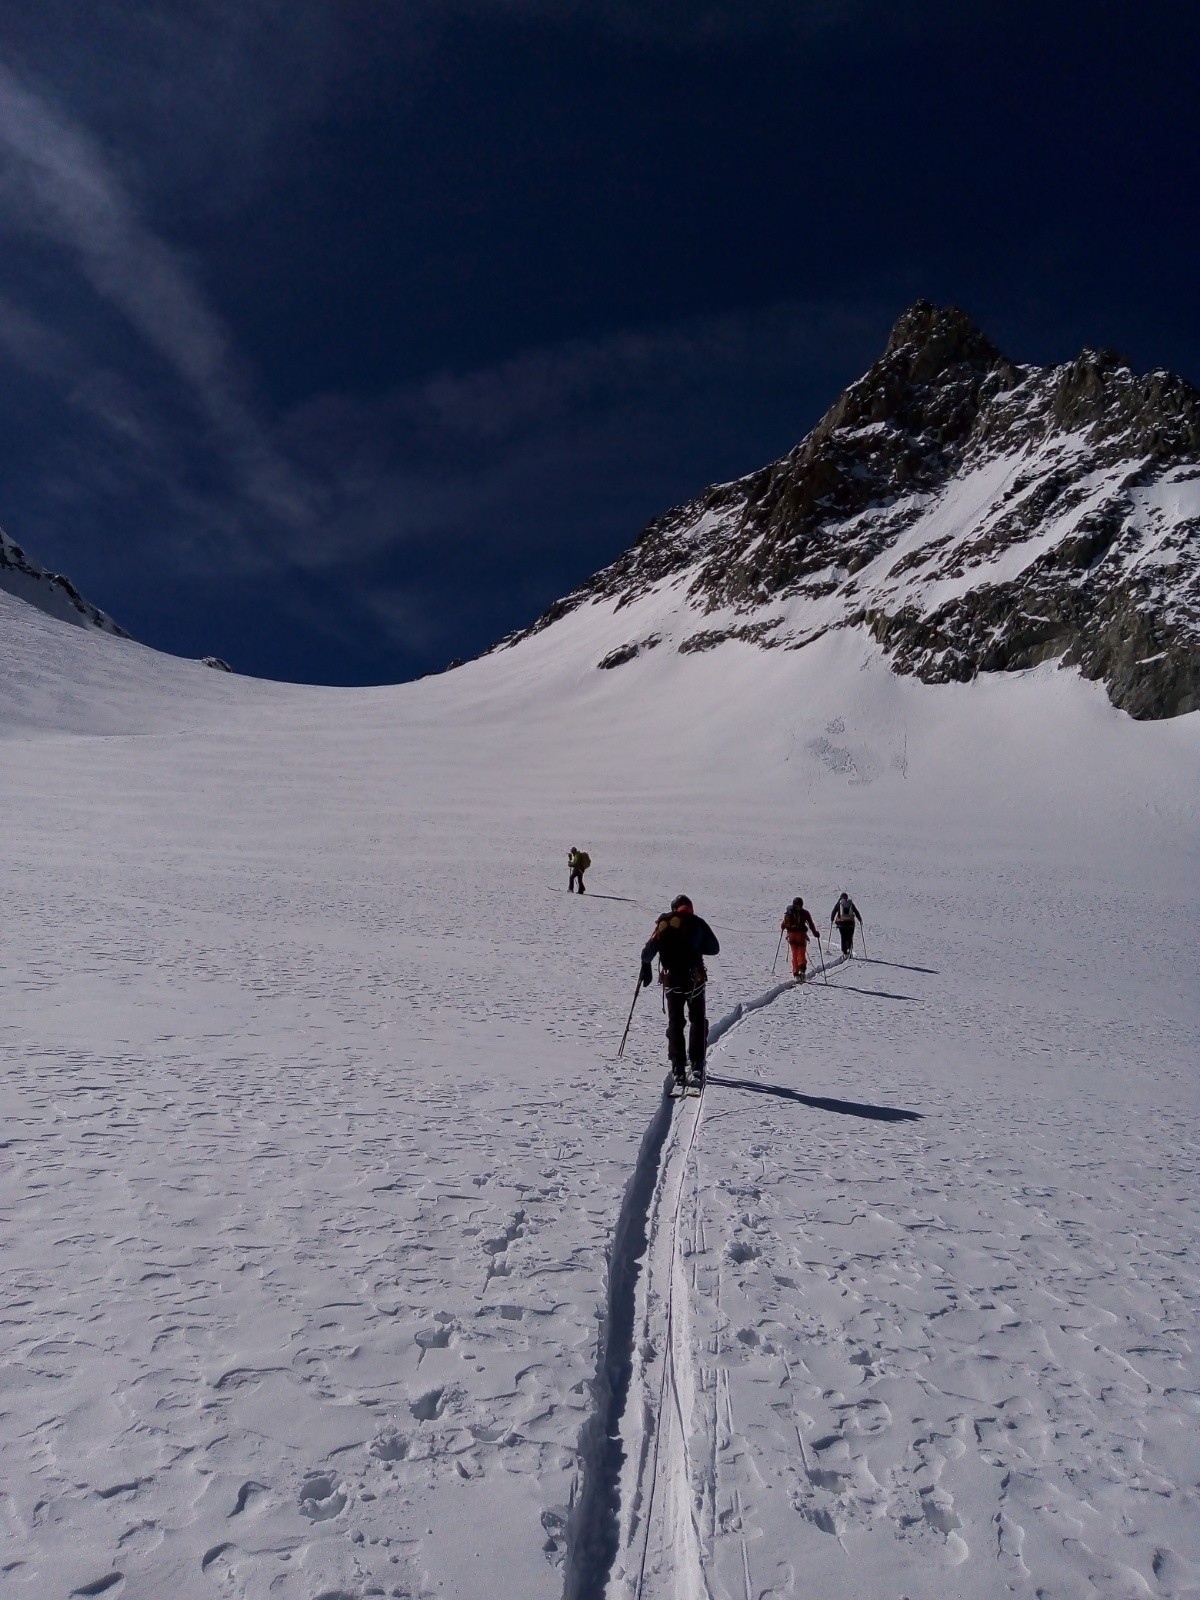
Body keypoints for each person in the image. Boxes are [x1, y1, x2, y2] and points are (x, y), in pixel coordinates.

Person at [640, 895, 720, 1088]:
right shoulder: (698, 923)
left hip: (672, 980)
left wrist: (646, 967)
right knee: (697, 1021)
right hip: (695, 981)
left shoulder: (664, 924)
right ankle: (697, 1064)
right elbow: (714, 948)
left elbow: (647, 953)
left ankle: (678, 1067)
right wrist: (696, 946)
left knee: (676, 1023)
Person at [781, 896, 819, 981]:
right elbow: (810, 923)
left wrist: (784, 927)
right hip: (800, 935)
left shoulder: (789, 912)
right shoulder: (805, 913)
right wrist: (815, 932)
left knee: (794, 954)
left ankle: (795, 973)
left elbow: (783, 924)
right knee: (801, 952)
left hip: (791, 936)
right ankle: (802, 969)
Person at [830, 891, 864, 956]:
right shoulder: (850, 904)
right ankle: (849, 949)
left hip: (841, 924)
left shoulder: (839, 903)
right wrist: (860, 919)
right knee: (850, 937)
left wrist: (832, 919)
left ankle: (844, 951)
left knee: (843, 937)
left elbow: (834, 911)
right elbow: (856, 912)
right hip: (851, 924)